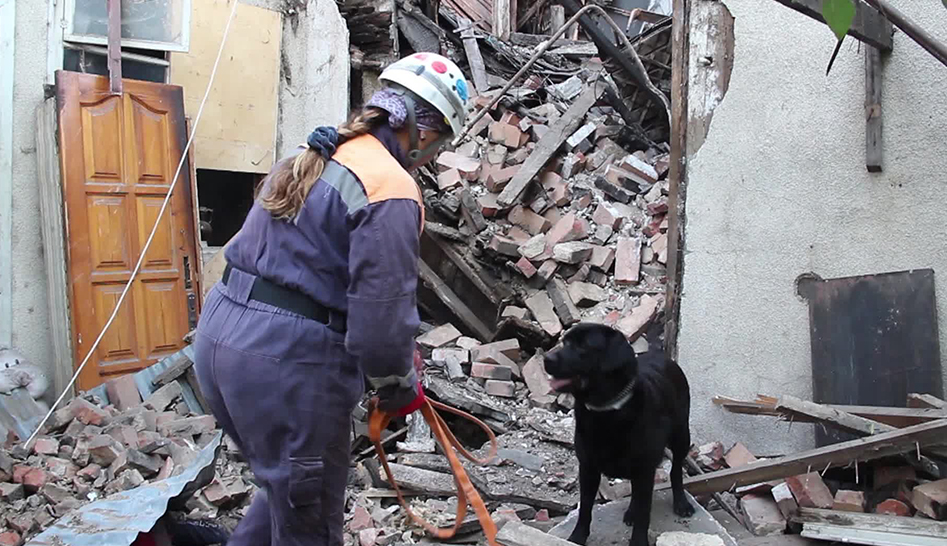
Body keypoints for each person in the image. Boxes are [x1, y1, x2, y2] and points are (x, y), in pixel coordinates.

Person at [192, 53, 470, 546]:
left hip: (223, 343)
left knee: (285, 492)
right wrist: (398, 384)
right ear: (426, 132)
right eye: (440, 145)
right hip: (287, 362)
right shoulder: (390, 186)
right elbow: (380, 321)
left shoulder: (320, 151)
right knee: (310, 522)